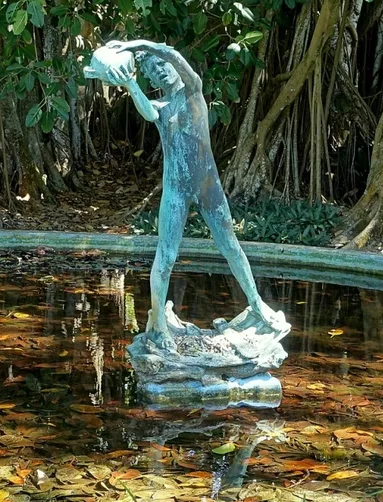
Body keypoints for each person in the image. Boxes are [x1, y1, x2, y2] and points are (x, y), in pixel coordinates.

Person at [84, 39, 286, 346]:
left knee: (230, 246)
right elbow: (150, 114)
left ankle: (257, 304)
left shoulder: (193, 91)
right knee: (165, 256)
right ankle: (159, 326)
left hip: (208, 186)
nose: (160, 73)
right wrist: (130, 84)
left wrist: (142, 44)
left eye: (162, 66)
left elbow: (176, 57)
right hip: (175, 190)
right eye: (152, 72)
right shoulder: (162, 109)